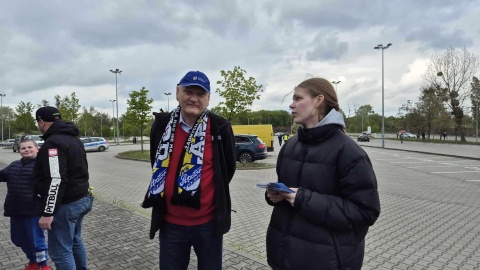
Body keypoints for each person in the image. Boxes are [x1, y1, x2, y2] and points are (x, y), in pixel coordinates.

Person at [264, 78, 381, 270]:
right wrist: (274, 195)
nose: (291, 104)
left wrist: (301, 198)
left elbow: (365, 212)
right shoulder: (290, 146)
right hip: (283, 256)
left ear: (319, 100)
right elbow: (288, 192)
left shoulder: (349, 151)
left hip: (326, 260)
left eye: (298, 98)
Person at [142, 71, 237, 270]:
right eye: (188, 92)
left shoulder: (220, 127)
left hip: (208, 225)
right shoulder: (161, 125)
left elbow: (227, 169)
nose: (194, 98)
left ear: (208, 99)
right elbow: (156, 163)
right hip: (170, 225)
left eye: (200, 94)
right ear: (177, 92)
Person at [33, 106, 93, 269]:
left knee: (60, 252)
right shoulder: (74, 139)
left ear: (42, 122)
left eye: (38, 123)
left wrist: (48, 212)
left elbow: (56, 179)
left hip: (66, 205)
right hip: (82, 199)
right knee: (74, 242)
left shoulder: (52, 144)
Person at [0, 140, 52, 270]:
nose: (26, 149)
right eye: (23, 148)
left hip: (32, 211)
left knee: (37, 242)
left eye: (30, 147)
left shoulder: (41, 167)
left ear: (37, 149)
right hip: (15, 211)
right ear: (19, 150)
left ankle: (43, 265)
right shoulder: (13, 165)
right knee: (18, 240)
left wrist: (48, 211)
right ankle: (33, 261)